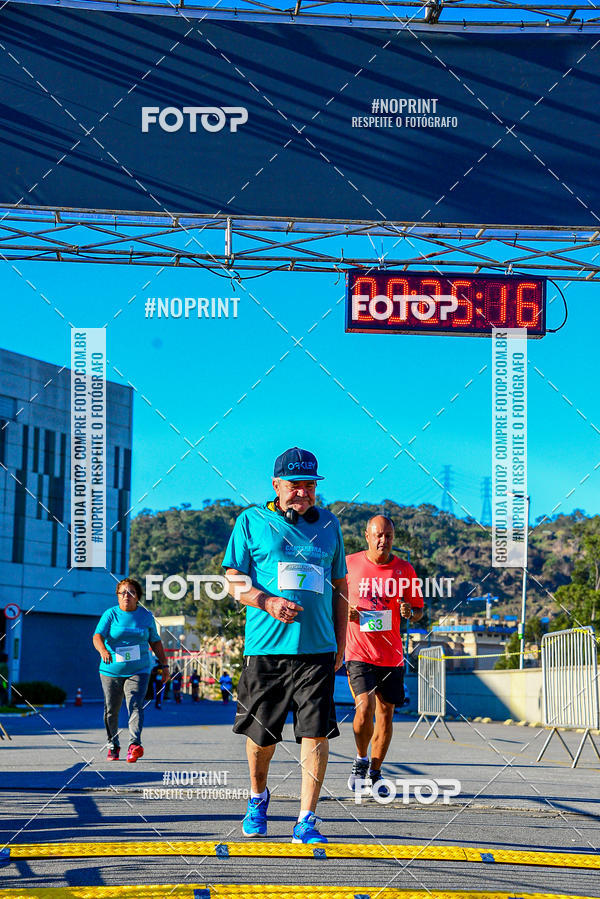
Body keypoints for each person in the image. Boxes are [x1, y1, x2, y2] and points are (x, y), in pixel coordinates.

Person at [224, 447, 347, 844]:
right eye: (295, 486)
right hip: (266, 650)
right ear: (276, 485)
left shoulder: (329, 525)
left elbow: (341, 588)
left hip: (317, 651)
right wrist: (267, 601)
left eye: (310, 485)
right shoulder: (251, 521)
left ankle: (306, 819)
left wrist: (341, 643)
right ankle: (258, 798)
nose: (303, 493)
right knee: (262, 737)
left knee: (316, 734)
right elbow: (233, 580)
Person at [345, 516, 423, 796]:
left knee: (386, 715)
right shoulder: (349, 564)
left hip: (391, 655)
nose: (383, 541)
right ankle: (360, 760)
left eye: (388, 536)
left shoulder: (404, 570)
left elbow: (418, 609)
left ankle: (375, 773)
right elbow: (333, 599)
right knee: (363, 708)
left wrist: (409, 613)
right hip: (359, 651)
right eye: (378, 535)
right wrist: (347, 613)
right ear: (367, 535)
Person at [93, 578, 169, 762]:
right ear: (118, 596)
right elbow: (97, 636)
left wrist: (165, 665)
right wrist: (103, 650)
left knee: (135, 705)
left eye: (131, 592)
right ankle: (113, 744)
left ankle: (134, 744)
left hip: (139, 669)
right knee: (111, 709)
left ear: (138, 597)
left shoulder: (146, 616)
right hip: (111, 671)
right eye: (123, 592)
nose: (127, 595)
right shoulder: (110, 615)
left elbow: (155, 642)